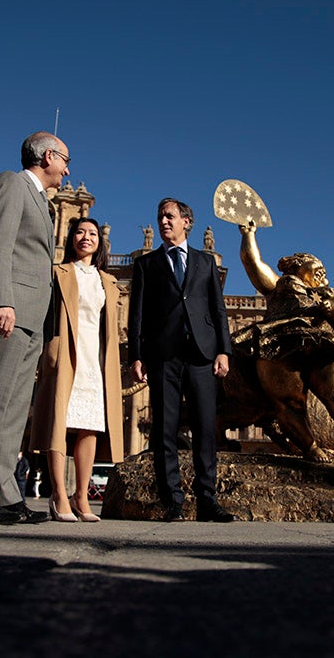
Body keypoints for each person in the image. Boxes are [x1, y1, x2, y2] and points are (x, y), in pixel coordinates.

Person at [0, 131, 70, 526]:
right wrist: (2, 299)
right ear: (46, 156)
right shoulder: (12, 183)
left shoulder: (44, 202)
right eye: (65, 159)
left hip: (33, 317)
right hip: (10, 310)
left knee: (13, 410)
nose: (68, 168)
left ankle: (6, 494)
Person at [128, 197, 237, 523]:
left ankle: (208, 500)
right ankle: (172, 500)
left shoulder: (205, 262)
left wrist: (224, 350)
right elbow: (137, 315)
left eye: (170, 216)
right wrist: (135, 356)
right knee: (164, 429)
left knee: (205, 428)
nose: (164, 221)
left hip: (202, 355)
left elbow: (218, 310)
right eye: (160, 216)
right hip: (164, 356)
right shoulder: (147, 265)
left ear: (186, 222)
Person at [30, 216, 124, 523]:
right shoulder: (57, 273)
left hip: (94, 359)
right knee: (59, 422)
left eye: (93, 233)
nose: (86, 237)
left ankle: (81, 497)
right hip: (65, 354)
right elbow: (43, 315)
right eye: (80, 232)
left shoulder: (107, 281)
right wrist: (45, 352)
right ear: (72, 238)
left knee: (90, 425)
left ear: (100, 242)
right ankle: (58, 495)